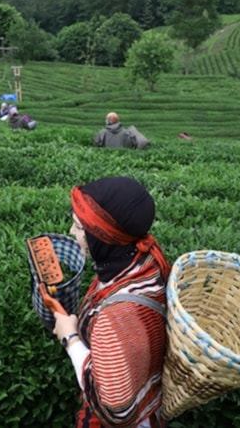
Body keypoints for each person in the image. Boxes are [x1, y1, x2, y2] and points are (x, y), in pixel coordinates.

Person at [54, 176, 170, 428]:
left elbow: (114, 407)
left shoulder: (116, 316)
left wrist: (70, 339)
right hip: (148, 403)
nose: (71, 232)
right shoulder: (142, 261)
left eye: (78, 227)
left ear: (102, 236)